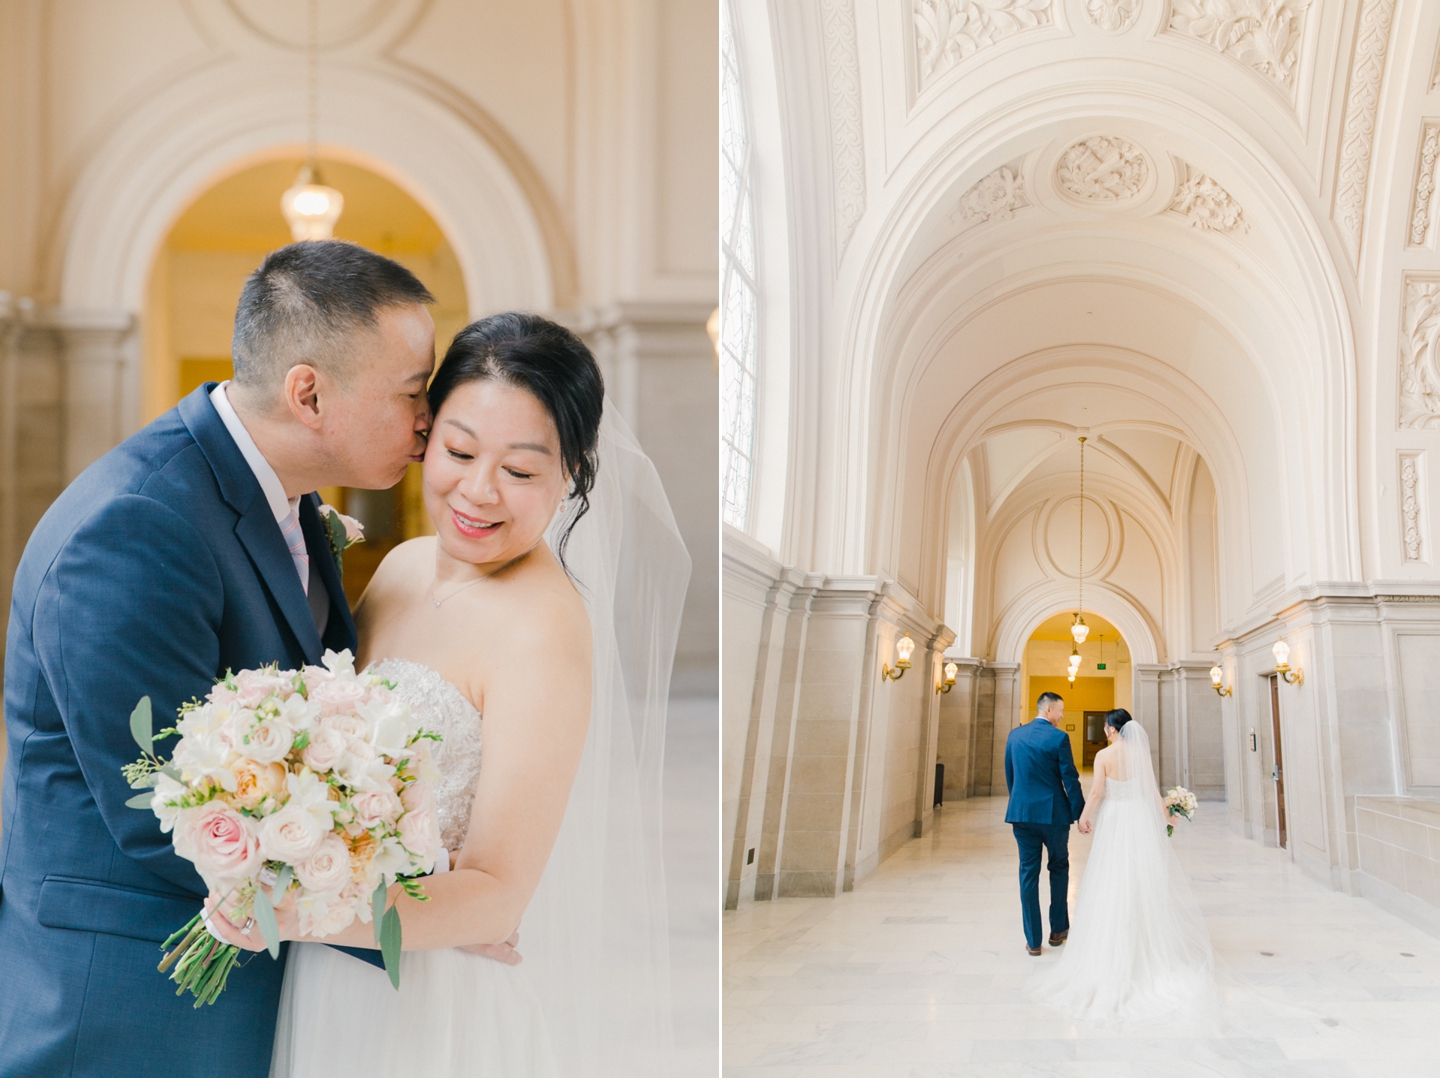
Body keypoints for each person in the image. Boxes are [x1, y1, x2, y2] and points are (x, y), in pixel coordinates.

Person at [0, 241, 509, 1077]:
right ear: (309, 392)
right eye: (413, 393)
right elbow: (169, 808)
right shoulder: (136, 526)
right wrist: (413, 906)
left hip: (240, 971)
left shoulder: (286, 501)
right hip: (132, 998)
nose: (430, 421)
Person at [209, 313, 688, 1077]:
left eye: (521, 471)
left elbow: (497, 896)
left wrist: (304, 911)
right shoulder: (399, 565)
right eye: (460, 451)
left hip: (427, 998)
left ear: (572, 476)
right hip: (334, 971)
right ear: (427, 435)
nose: (478, 490)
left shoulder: (544, 630)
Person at [1028, 708, 1216, 1023]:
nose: (1104, 731)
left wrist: (1084, 816)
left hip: (1116, 820)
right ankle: (1145, 943)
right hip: (1139, 819)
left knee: (1111, 879)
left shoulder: (1104, 755)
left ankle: (1110, 947)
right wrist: (1167, 816)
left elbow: (1098, 792)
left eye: (1105, 727)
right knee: (1140, 877)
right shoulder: (1140, 755)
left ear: (1113, 730)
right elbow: (1153, 791)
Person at [1004, 691, 1086, 956]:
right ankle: (1058, 930)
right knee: (1059, 867)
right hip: (1054, 816)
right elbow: (1070, 779)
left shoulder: (1014, 736)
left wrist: (1020, 803)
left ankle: (1033, 941)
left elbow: (1010, 775)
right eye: (1060, 711)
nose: (1062, 716)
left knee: (1028, 873)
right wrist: (1079, 813)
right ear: (1049, 709)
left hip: (1022, 814)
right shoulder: (1059, 738)